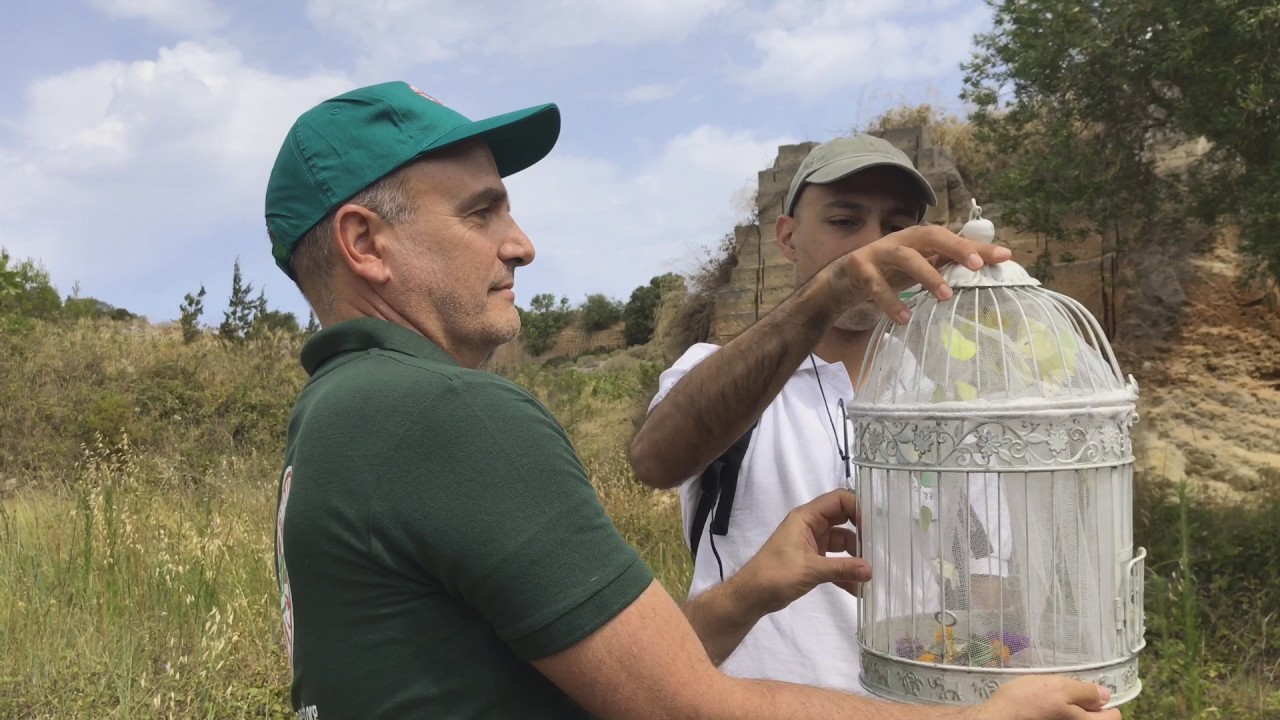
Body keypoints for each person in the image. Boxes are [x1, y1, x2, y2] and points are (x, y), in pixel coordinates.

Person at [265, 81, 1120, 719]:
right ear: (365, 243)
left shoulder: (341, 412)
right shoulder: (447, 413)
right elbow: (685, 706)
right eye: (482, 213)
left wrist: (748, 593)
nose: (519, 244)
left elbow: (611, 681)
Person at [630, 135, 1016, 690]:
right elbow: (654, 460)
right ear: (788, 238)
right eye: (844, 221)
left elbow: (989, 578)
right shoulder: (721, 373)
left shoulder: (945, 403)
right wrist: (827, 293)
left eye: (894, 227)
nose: (870, 248)